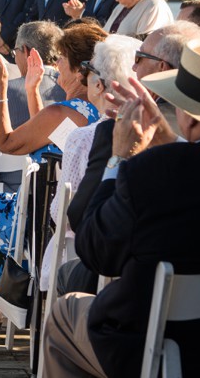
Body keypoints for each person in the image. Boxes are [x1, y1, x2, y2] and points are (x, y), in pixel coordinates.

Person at [43, 39, 200, 378]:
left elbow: (96, 251)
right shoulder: (170, 162)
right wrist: (173, 142)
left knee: (64, 314)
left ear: (189, 117)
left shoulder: (151, 173)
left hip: (149, 346)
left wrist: (118, 159)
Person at [0, 21, 106, 336]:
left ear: (78, 71)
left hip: (37, 221)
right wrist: (32, 89)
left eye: (60, 60)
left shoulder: (62, 111)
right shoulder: (88, 110)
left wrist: (3, 88)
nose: (55, 65)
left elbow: (8, 143)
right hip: (55, 213)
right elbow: (46, 135)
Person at [39, 34, 140, 290]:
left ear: (99, 85)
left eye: (89, 69)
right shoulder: (159, 135)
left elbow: (61, 213)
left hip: (84, 254)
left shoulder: (85, 137)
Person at [0, 21, 66, 186]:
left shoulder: (5, 90)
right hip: (60, 187)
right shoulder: (72, 90)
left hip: (12, 188)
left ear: (27, 52)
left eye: (15, 52)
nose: (15, 58)